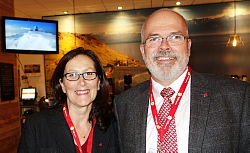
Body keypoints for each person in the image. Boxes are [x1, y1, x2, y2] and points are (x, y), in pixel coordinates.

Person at [114, 8, 250, 153]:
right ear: (143, 50)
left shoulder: (238, 97)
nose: (164, 46)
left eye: (175, 37)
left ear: (188, 46)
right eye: (154, 39)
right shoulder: (124, 104)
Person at [18, 47, 120, 153]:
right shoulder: (36, 125)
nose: (82, 82)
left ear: (99, 83)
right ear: (62, 84)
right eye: (72, 75)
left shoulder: (113, 125)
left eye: (88, 74)